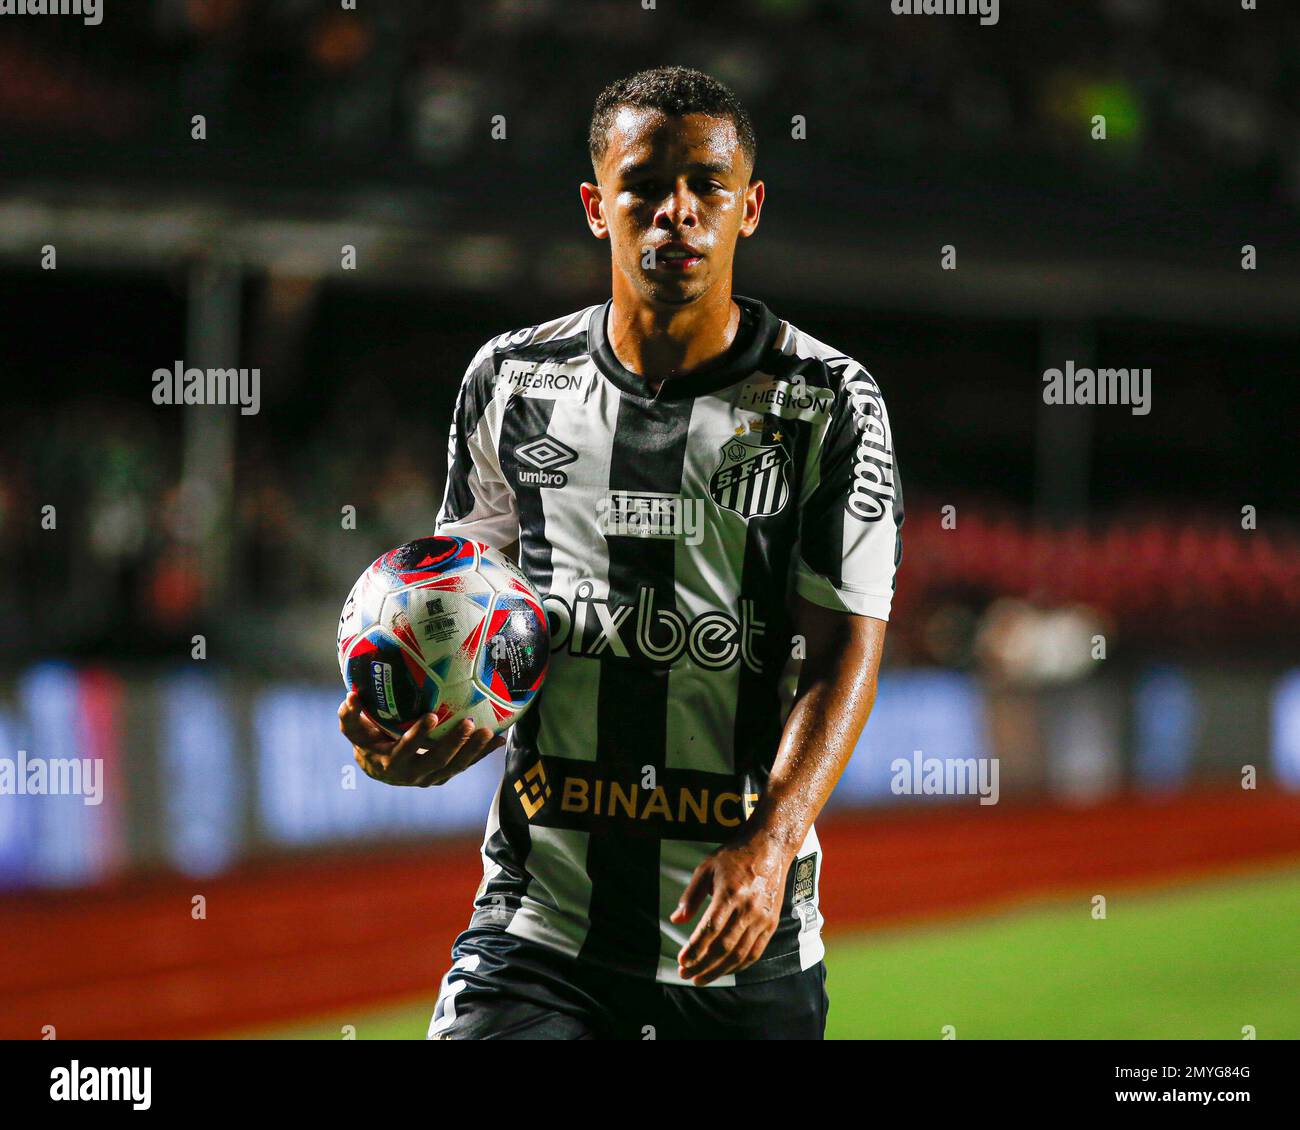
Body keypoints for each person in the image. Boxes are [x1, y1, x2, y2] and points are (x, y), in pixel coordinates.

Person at [338, 64, 903, 1040]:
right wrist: (410, 723)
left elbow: (845, 643)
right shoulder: (509, 381)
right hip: (540, 926)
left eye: (706, 187)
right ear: (599, 207)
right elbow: (454, 604)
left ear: (749, 208)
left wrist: (772, 842)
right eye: (643, 186)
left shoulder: (827, 401)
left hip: (741, 933)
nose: (675, 212)